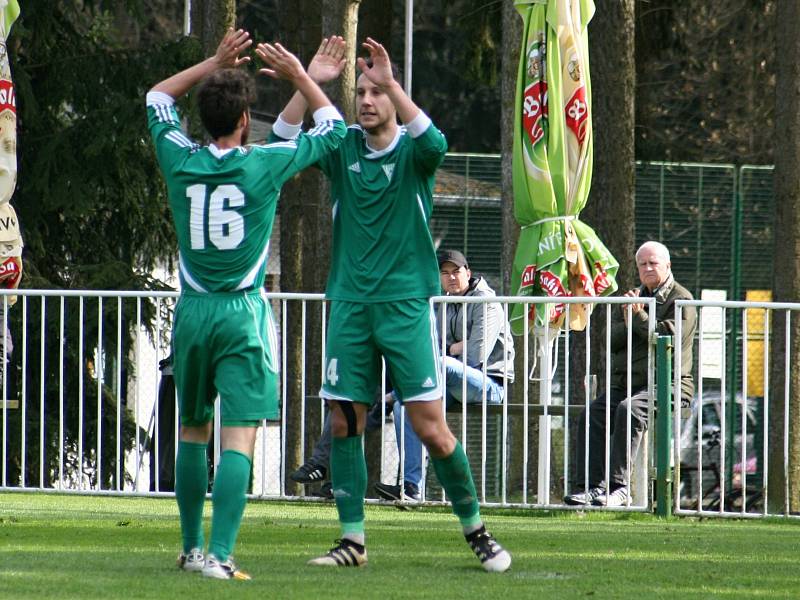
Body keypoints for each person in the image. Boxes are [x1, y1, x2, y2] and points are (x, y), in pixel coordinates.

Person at [271, 36, 510, 571]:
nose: (366, 100)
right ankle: (352, 542)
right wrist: (306, 82)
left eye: (375, 91)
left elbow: (437, 142)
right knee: (344, 423)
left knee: (430, 426)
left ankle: (476, 529)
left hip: (405, 309)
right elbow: (282, 141)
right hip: (351, 307)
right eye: (359, 91)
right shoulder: (341, 146)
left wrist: (392, 83)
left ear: (395, 96)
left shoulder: (415, 153)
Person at [147, 28, 345, 580]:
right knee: (239, 436)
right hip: (242, 314)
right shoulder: (263, 166)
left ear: (204, 119)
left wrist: (212, 62)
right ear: (242, 123)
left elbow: (158, 97)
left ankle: (190, 549)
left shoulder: (180, 159)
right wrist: (305, 78)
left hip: (192, 312)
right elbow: (329, 128)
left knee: (192, 430)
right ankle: (222, 556)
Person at [372, 248, 516, 502]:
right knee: (405, 409)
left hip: (488, 383)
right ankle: (411, 488)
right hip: (449, 383)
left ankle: (391, 396)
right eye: (445, 273)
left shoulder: (487, 302)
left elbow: (474, 356)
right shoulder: (441, 302)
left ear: (468, 273)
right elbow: (428, 348)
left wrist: (448, 351)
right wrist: (453, 348)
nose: (451, 278)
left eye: (456, 271)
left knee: (438, 364)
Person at [564, 241, 696, 508]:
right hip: (629, 384)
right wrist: (631, 317)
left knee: (630, 409)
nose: (647, 268)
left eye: (653, 263)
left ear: (667, 265)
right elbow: (611, 340)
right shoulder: (634, 296)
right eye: (642, 264)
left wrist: (638, 318)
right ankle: (591, 487)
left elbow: (666, 338)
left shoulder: (682, 299)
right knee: (592, 413)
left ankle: (619, 488)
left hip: (669, 385)